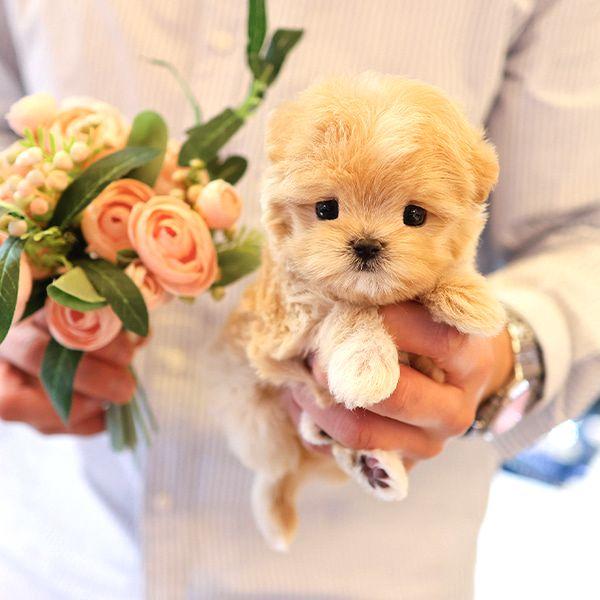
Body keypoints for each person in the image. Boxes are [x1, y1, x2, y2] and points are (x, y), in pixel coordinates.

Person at [0, 1, 598, 598]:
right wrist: (14, 294)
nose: (366, 239)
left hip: (369, 564)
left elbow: (583, 231)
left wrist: (506, 351)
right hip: (61, 541)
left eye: (412, 215)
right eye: (328, 208)